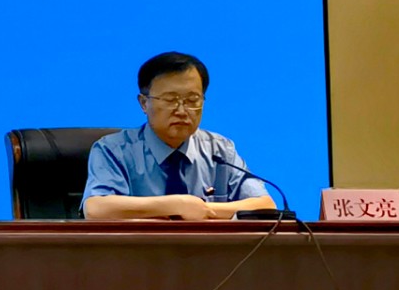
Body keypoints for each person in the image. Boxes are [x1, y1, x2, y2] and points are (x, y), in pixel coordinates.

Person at [82, 51, 275, 221]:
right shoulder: (114, 150)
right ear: (144, 103)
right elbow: (96, 209)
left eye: (192, 100)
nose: (182, 111)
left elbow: (265, 205)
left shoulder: (220, 150)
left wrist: (203, 209)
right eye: (170, 100)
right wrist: (177, 205)